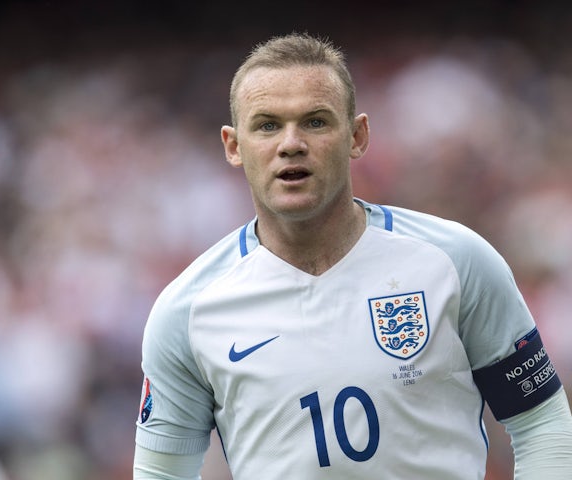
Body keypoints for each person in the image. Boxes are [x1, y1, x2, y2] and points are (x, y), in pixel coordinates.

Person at [133, 32, 572, 479]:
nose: (291, 144)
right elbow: (162, 472)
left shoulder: (456, 261)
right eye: (267, 125)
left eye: (315, 122)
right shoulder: (187, 309)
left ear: (357, 136)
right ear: (233, 146)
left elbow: (541, 422)